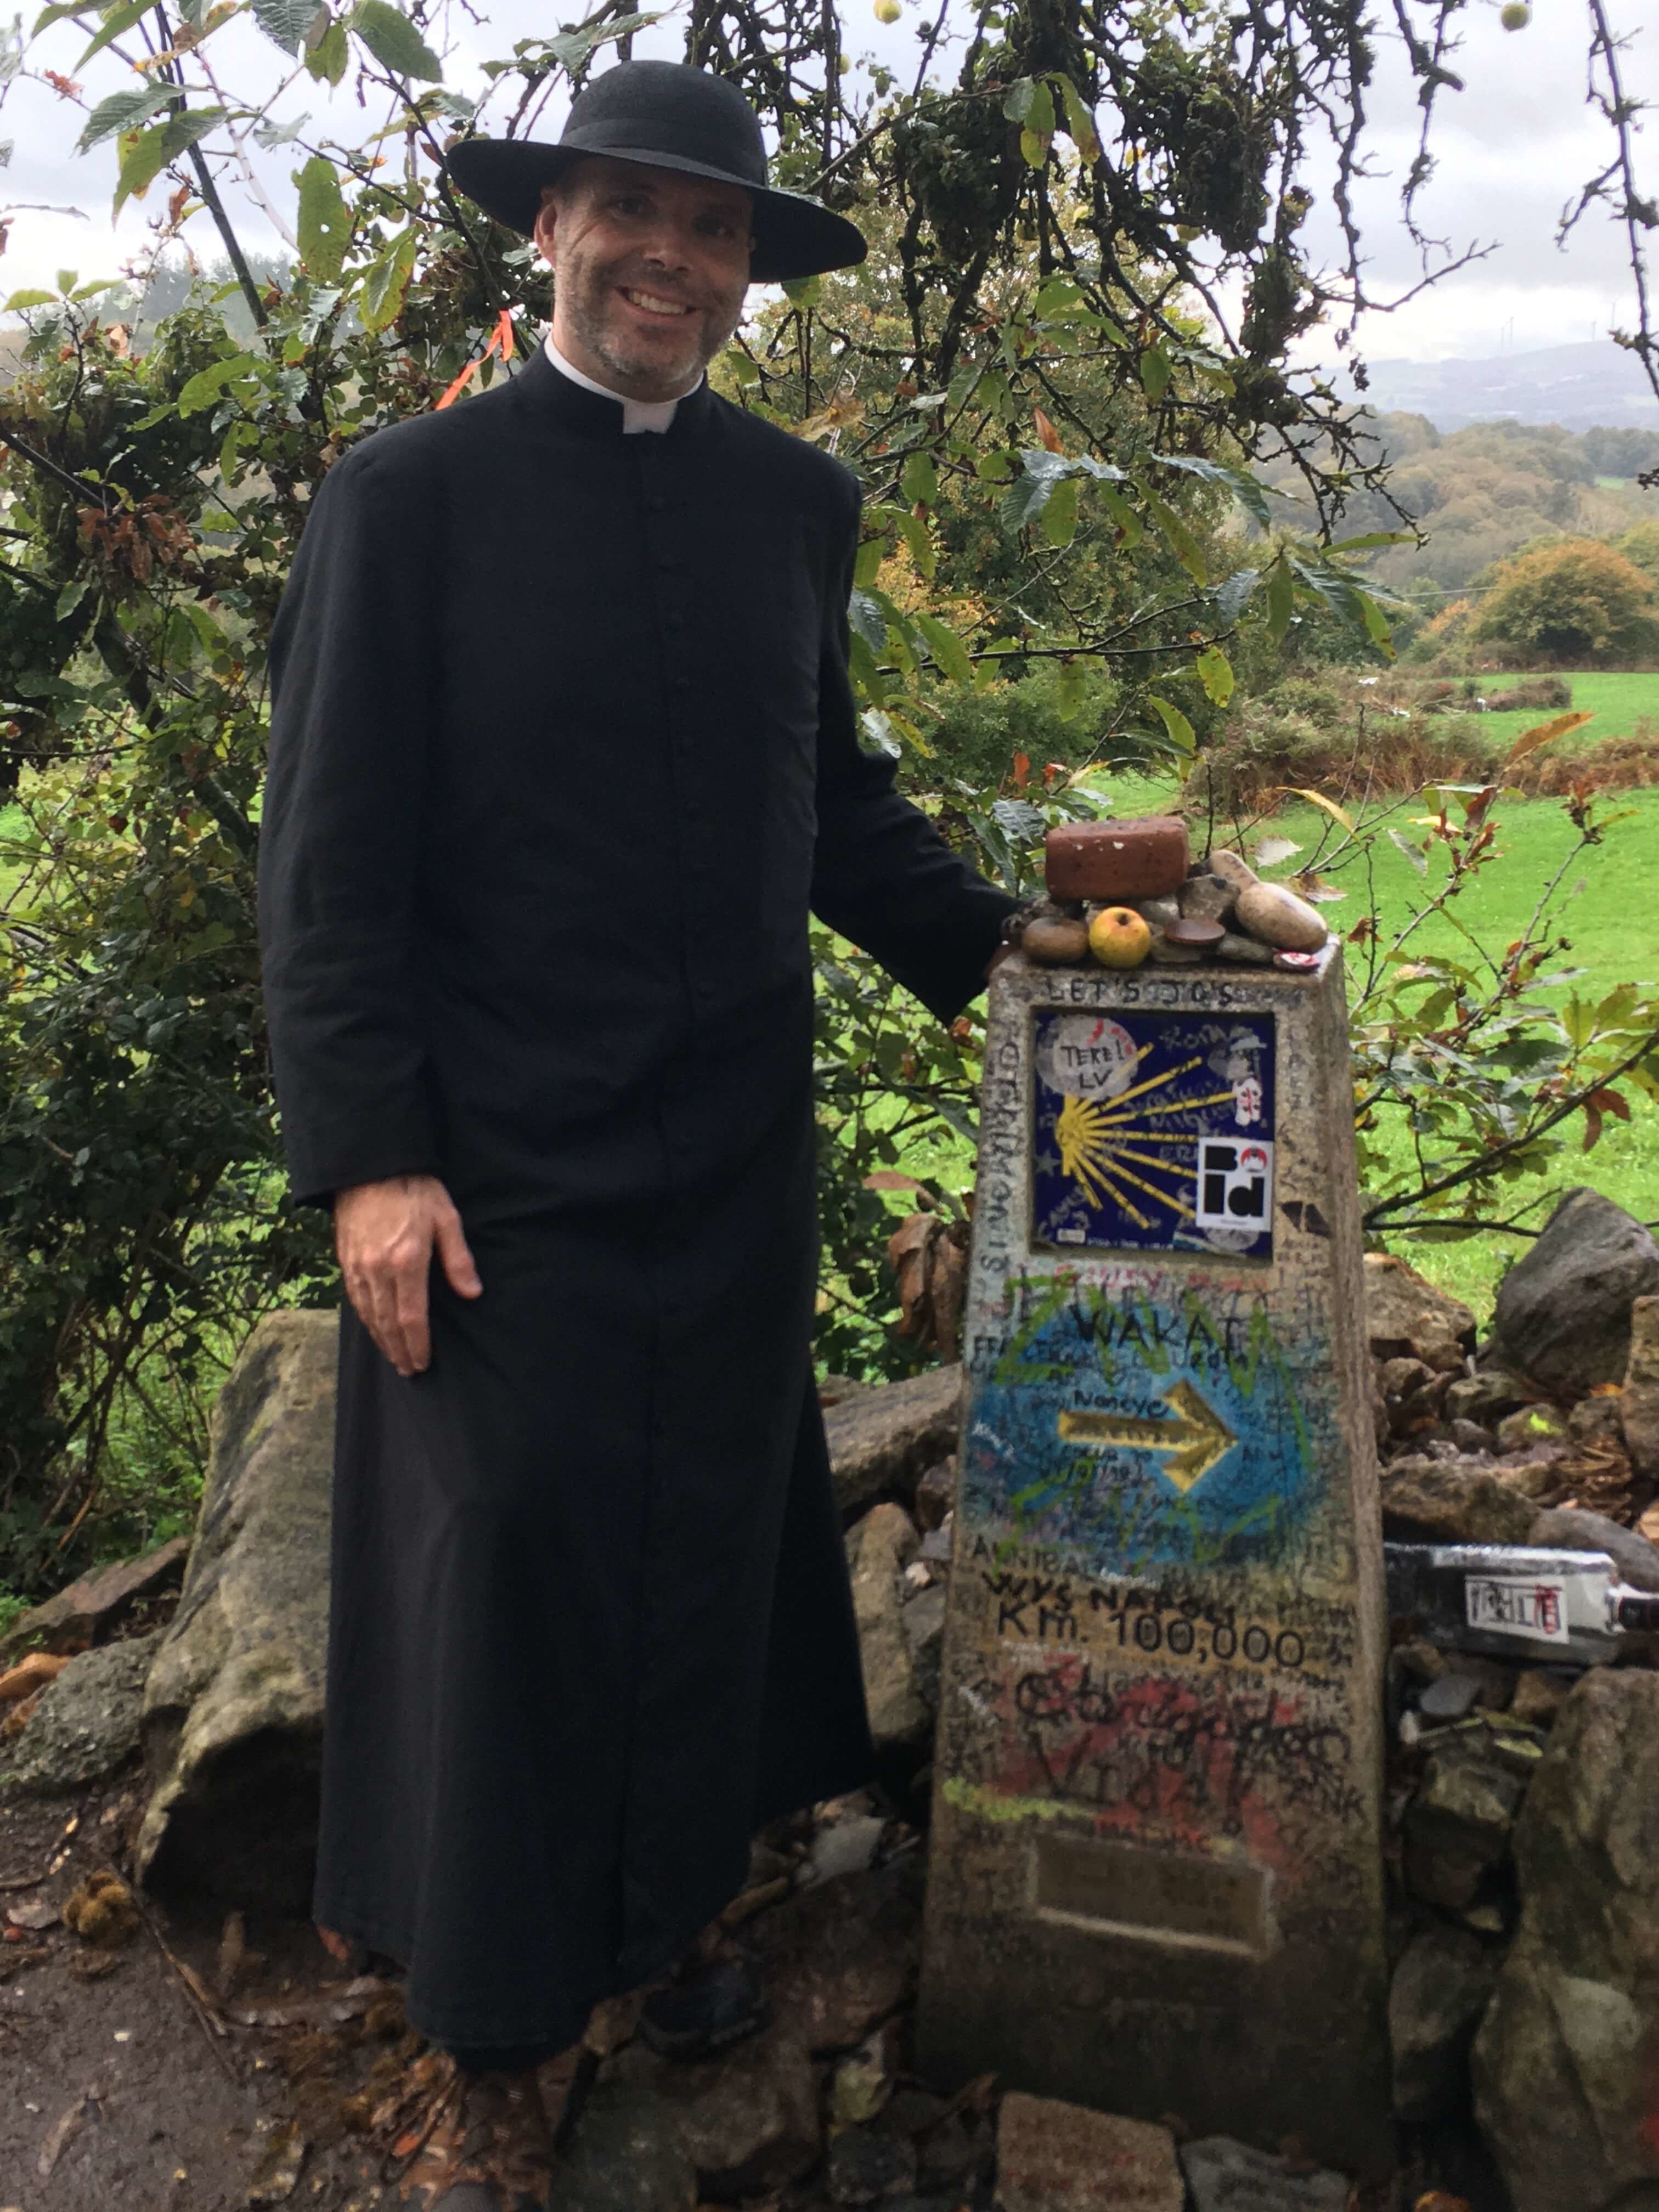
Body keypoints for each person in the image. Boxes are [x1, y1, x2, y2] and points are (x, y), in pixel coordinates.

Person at [258, 58, 1015, 2212]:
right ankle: (502, 2048)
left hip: (725, 1149)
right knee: (508, 1571)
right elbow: (327, 867)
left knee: (700, 1545)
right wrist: (371, 1157)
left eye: (713, 232)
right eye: (633, 215)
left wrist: (1023, 961)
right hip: (492, 1167)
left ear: (742, 270)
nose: (672, 260)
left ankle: (676, 1920)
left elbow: (832, 800)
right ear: (551, 228)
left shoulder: (792, 502)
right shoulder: (406, 503)